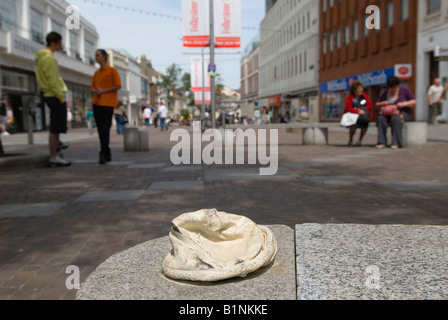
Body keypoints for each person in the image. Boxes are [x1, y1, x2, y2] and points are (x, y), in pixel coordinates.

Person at [35, 32, 71, 167]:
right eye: (60, 43)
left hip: (49, 93)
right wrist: (61, 97)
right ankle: (54, 155)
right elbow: (53, 79)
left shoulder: (41, 57)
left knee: (56, 126)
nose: (61, 46)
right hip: (53, 94)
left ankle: (58, 145)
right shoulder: (48, 58)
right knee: (56, 127)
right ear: (54, 43)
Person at [91, 49, 122, 164]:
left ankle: (104, 152)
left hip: (107, 103)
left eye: (98, 55)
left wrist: (103, 90)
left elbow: (118, 85)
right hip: (97, 103)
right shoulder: (96, 73)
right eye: (95, 56)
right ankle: (105, 152)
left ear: (104, 57)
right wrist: (96, 90)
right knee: (100, 129)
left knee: (105, 128)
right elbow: (92, 87)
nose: (96, 58)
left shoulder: (111, 71)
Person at [376, 76, 416, 150]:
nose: (391, 89)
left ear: (397, 86)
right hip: (387, 114)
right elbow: (377, 104)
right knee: (380, 119)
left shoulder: (405, 91)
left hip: (402, 113)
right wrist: (382, 103)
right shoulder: (385, 92)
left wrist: (404, 104)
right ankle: (381, 142)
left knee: (396, 119)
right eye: (390, 87)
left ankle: (396, 142)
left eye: (393, 87)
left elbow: (413, 101)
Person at [343, 81, 373, 147]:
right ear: (354, 89)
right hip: (353, 116)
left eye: (361, 88)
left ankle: (360, 140)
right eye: (359, 88)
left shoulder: (364, 96)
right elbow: (348, 108)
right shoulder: (350, 97)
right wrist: (357, 111)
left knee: (365, 123)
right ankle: (350, 140)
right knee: (353, 124)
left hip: (363, 116)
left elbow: (370, 105)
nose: (361, 90)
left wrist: (363, 110)